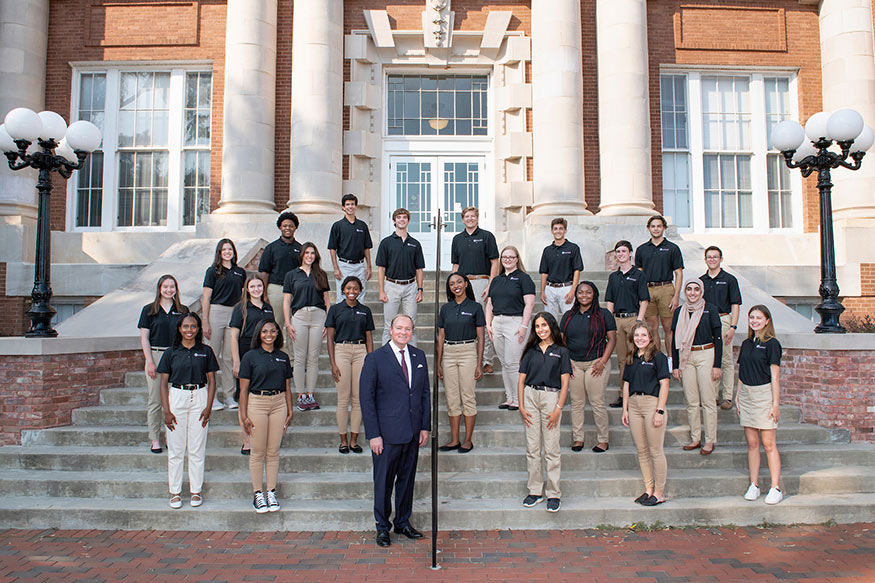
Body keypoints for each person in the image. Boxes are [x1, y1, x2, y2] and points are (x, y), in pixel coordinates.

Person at [360, 314, 431, 548]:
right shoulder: (375, 359)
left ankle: (402, 521)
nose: (403, 332)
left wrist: (424, 426)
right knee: (383, 483)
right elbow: (366, 399)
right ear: (390, 330)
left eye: (407, 329)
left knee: (407, 481)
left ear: (412, 331)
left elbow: (424, 395)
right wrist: (373, 434)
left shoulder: (419, 356)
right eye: (399, 328)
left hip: (412, 432)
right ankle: (382, 527)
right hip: (386, 435)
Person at [157, 313, 219, 509]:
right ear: (179, 329)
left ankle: (195, 491)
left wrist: (208, 407)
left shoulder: (206, 351)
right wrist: (166, 411)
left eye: (193, 327)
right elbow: (163, 383)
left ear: (199, 329)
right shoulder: (171, 352)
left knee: (196, 449)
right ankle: (175, 492)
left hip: (199, 397)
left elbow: (212, 381)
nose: (189, 330)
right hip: (177, 397)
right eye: (185, 327)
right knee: (176, 449)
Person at [238, 319, 294, 513]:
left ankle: (271, 491)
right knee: (258, 451)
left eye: (272, 331)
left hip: (278, 404)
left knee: (273, 451)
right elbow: (243, 389)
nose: (269, 334)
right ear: (258, 334)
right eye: (264, 331)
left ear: (277, 333)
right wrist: (243, 415)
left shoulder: (283, 357)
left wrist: (290, 409)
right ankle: (257, 494)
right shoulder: (250, 357)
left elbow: (287, 386)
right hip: (257, 403)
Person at [518, 312, 571, 513]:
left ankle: (554, 494)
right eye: (537, 326)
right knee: (532, 448)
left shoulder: (561, 351)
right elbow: (521, 380)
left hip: (551, 398)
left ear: (551, 326)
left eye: (544, 325)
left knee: (551, 448)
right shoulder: (530, 351)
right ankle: (534, 491)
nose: (541, 329)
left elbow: (565, 382)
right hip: (530, 397)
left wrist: (558, 408)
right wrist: (522, 406)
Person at [560, 281, 617, 453]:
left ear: (594, 295)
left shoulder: (604, 314)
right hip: (574, 364)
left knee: (597, 402)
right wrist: (567, 361)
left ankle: (603, 440)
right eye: (580, 292)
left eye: (588, 292)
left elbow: (612, 340)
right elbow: (562, 341)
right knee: (576, 403)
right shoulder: (568, 315)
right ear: (576, 295)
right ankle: (578, 438)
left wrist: (603, 361)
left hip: (596, 363)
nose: (584, 295)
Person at [736, 305, 784, 505]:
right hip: (746, 394)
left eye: (758, 318)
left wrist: (775, 404)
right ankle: (754, 485)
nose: (754, 321)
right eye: (751, 317)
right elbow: (741, 373)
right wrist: (737, 396)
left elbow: (775, 376)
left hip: (764, 395)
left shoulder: (772, 344)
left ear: (767, 321)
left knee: (768, 444)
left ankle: (775, 488)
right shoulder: (746, 343)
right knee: (752, 444)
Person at [621, 321, 670, 507]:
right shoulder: (631, 357)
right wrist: (625, 408)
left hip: (651, 403)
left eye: (643, 335)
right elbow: (626, 384)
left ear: (650, 337)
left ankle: (659, 492)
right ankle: (649, 489)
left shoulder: (658, 357)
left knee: (655, 451)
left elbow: (664, 384)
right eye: (636, 336)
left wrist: (660, 410)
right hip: (634, 405)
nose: (639, 338)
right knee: (642, 450)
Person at [671, 278, 723, 455]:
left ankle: (710, 440)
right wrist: (675, 366)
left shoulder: (710, 310)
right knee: (691, 401)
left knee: (708, 401)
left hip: (706, 354)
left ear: (701, 292)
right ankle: (695, 438)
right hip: (686, 356)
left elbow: (718, 339)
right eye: (689, 290)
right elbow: (674, 341)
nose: (692, 293)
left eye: (696, 290)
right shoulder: (680, 312)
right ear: (685, 292)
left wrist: (717, 365)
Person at [138, 274, 188, 454]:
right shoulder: (149, 310)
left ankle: (171, 435)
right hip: (157, 356)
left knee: (174, 401)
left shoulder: (182, 310)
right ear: (159, 288)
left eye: (172, 286)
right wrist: (149, 361)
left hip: (176, 357)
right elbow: (144, 337)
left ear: (176, 289)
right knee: (155, 400)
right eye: (165, 286)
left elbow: (188, 336)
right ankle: (155, 438)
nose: (169, 290)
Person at [325, 276, 375, 454]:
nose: (352, 291)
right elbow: (330, 338)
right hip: (342, 351)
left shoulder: (365, 311)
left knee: (358, 399)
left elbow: (369, 337)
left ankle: (354, 440)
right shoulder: (335, 309)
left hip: (361, 351)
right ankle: (343, 440)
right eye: (348, 288)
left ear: (360, 290)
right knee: (343, 399)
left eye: (355, 288)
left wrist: (370, 360)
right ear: (343, 290)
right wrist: (332, 363)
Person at [436, 273, 485, 453]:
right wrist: (439, 363)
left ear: (465, 284)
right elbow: (441, 337)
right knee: (452, 399)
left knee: (468, 397)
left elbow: (481, 337)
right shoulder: (445, 309)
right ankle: (454, 439)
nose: (455, 285)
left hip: (468, 353)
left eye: (458, 282)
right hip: (449, 353)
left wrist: (479, 364)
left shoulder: (475, 307)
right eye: (451, 284)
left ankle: (467, 440)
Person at [229, 275, 276, 455]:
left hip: (264, 355)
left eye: (259, 286)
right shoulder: (240, 309)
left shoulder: (268, 308)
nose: (256, 289)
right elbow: (233, 336)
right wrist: (236, 361)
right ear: (247, 289)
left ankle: (262, 436)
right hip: (245, 353)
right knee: (244, 396)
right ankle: (247, 439)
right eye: (253, 286)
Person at [485, 246, 536, 410]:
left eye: (511, 257)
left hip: (516, 322)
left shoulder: (524, 278)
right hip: (497, 323)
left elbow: (529, 304)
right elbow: (489, 304)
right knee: (505, 364)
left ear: (517, 259)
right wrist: (488, 324)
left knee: (512, 363)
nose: (507, 259)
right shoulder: (497, 280)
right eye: (504, 257)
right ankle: (509, 398)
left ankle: (518, 399)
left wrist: (524, 326)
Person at [283, 242, 331, 412]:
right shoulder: (291, 275)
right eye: (307, 253)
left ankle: (310, 394)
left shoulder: (321, 275)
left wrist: (328, 321)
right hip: (299, 317)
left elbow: (327, 301)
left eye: (313, 253)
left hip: (318, 316)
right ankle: (300, 395)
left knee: (313, 357)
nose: (310, 256)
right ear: (302, 255)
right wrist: (288, 322)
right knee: (299, 356)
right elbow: (287, 301)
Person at [451, 206, 499, 373]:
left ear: (477, 218)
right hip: (463, 283)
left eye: (473, 216)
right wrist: (454, 283)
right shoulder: (457, 239)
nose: (470, 219)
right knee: (465, 321)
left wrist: (490, 284)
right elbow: (455, 264)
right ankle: (471, 358)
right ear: (463, 219)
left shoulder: (486, 236)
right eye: (467, 216)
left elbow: (495, 262)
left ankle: (487, 360)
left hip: (481, 282)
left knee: (485, 323)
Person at [202, 238, 247, 411]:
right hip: (216, 312)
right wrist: (205, 320)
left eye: (230, 249)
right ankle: (210, 397)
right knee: (212, 355)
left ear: (234, 252)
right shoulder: (212, 271)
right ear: (219, 253)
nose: (227, 252)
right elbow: (206, 297)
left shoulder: (240, 272)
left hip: (234, 313)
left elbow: (243, 296)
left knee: (229, 357)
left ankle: (229, 396)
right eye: (224, 250)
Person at [605, 240, 650, 409]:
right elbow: (609, 301)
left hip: (633, 319)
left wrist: (639, 321)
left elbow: (644, 299)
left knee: (636, 358)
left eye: (624, 251)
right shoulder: (613, 277)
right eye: (618, 251)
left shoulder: (638, 275)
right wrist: (609, 322)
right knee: (622, 361)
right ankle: (623, 395)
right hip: (617, 320)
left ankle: (638, 392)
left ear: (630, 253)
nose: (621, 254)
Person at [635, 215, 684, 365]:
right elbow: (639, 273)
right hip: (648, 289)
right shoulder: (642, 249)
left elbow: (679, 273)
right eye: (653, 226)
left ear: (664, 228)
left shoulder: (672, 248)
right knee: (652, 327)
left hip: (666, 288)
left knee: (668, 327)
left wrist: (676, 296)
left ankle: (670, 359)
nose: (656, 229)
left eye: (659, 226)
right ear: (648, 228)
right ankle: (656, 359)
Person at [701, 246, 743, 410]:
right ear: (705, 260)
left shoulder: (730, 279)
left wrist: (733, 326)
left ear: (721, 259)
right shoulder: (701, 281)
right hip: (705, 320)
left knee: (725, 358)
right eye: (709, 257)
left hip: (724, 319)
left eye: (715, 257)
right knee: (709, 358)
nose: (712, 259)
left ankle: (726, 397)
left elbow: (736, 305)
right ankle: (712, 395)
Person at [376, 208, 425, 346]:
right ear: (394, 220)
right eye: (399, 217)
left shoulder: (415, 244)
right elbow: (381, 268)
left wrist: (420, 289)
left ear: (408, 221)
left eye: (404, 217)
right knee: (389, 326)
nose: (401, 220)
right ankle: (386, 358)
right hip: (391, 285)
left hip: (411, 287)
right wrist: (381, 290)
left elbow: (419, 269)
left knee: (410, 325)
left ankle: (411, 359)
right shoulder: (386, 242)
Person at [258, 211, 302, 357]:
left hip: (295, 291)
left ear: (295, 228)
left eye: (290, 225)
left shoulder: (300, 249)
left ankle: (292, 357)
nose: (287, 228)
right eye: (284, 226)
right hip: (276, 289)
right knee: (276, 323)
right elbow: (264, 272)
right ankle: (275, 353)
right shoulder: (271, 248)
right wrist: (264, 294)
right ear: (280, 227)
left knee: (294, 324)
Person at [327, 194, 373, 300]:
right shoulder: (337, 226)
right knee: (342, 295)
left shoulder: (362, 226)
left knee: (360, 295)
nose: (350, 207)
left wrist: (369, 267)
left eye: (352, 204)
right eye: (347, 204)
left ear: (356, 206)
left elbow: (367, 247)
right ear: (343, 207)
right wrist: (336, 268)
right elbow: (332, 248)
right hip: (344, 266)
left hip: (360, 266)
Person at [539, 218, 584, 322]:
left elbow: (577, 270)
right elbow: (544, 272)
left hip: (566, 288)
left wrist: (573, 291)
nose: (558, 231)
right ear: (551, 231)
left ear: (565, 231)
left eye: (561, 229)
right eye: (555, 229)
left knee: (570, 319)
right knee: (549, 321)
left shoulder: (573, 248)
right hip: (550, 288)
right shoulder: (547, 250)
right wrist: (542, 291)